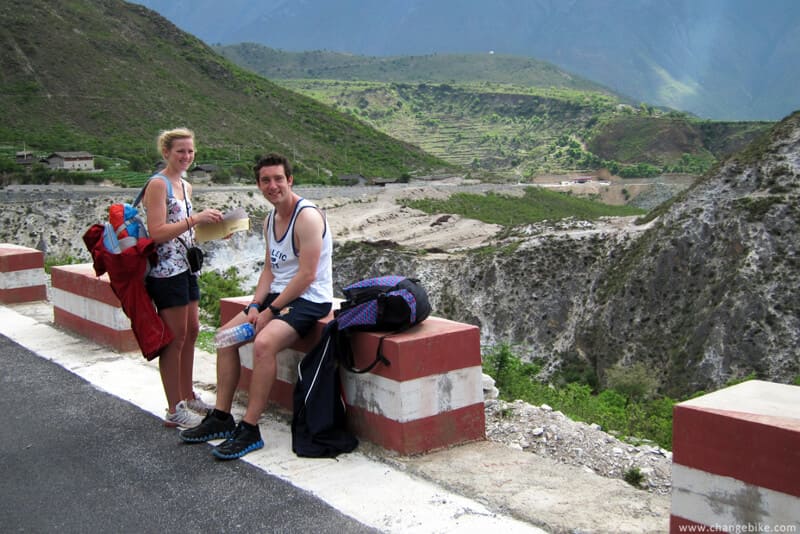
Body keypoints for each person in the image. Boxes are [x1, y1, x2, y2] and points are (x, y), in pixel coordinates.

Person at [180, 153, 333, 460]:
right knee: (225, 337)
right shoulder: (269, 220)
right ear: (259, 185)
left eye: (279, 179)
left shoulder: (307, 217)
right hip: (277, 295)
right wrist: (254, 304)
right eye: (266, 180)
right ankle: (222, 417)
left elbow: (306, 275)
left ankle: (250, 428)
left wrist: (270, 311)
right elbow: (268, 270)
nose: (273, 185)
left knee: (263, 343)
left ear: (289, 180)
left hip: (309, 299)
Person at [142, 127, 224, 428]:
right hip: (166, 272)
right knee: (174, 339)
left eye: (190, 151)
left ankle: (188, 395)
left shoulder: (185, 186)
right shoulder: (158, 184)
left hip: (187, 267)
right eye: (181, 151)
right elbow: (157, 232)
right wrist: (195, 218)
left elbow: (186, 230)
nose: (187, 156)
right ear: (166, 152)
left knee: (191, 331)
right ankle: (174, 408)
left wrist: (216, 229)